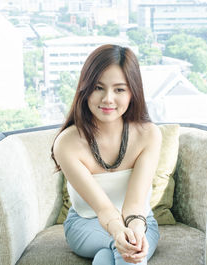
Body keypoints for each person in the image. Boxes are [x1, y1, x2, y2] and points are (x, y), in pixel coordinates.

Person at [51, 44, 162, 265]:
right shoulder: (67, 143)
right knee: (123, 250)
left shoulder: (148, 135)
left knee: (117, 253)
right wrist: (118, 233)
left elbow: (134, 204)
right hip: (85, 224)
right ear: (85, 89)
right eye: (98, 88)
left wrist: (135, 231)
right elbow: (104, 209)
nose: (108, 99)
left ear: (133, 92)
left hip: (140, 221)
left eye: (119, 89)